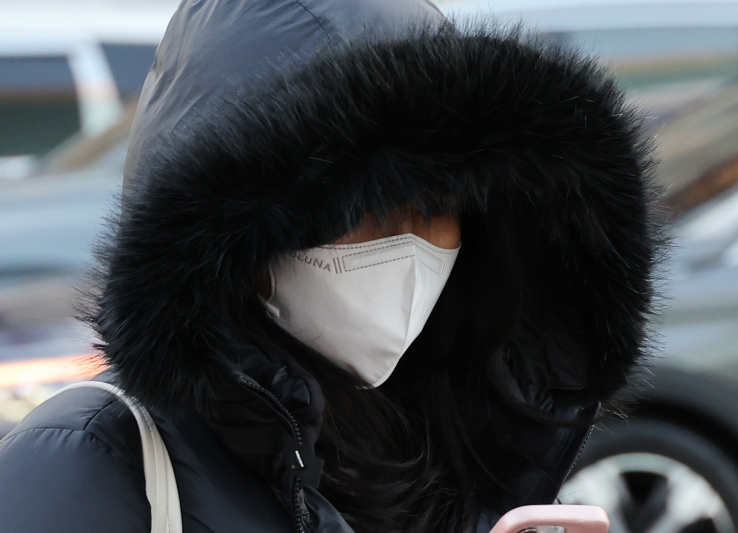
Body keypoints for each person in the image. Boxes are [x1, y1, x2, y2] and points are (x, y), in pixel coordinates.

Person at [0, 0, 662, 532]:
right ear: (245, 232)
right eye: (368, 207)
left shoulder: (449, 456)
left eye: (436, 207)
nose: (410, 247)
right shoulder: (90, 458)